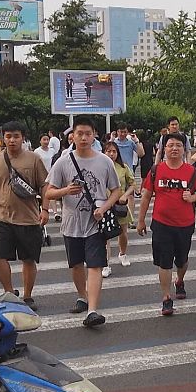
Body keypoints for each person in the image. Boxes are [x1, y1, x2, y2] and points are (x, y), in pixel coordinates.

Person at [45, 117, 120, 328]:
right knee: (76, 265)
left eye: (88, 133)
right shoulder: (63, 161)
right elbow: (49, 192)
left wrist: (104, 208)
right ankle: (82, 295)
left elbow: (115, 190)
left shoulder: (104, 161)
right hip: (71, 223)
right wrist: (65, 191)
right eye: (80, 134)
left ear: (94, 134)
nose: (84, 138)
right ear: (73, 136)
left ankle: (93, 310)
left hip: (95, 224)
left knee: (95, 265)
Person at [0, 121, 50, 311]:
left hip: (29, 218)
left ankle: (27, 296)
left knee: (28, 259)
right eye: (8, 136)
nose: (12, 140)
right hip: (2, 217)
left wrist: (45, 209)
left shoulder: (34, 159)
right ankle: (9, 292)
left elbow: (44, 185)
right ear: (3, 138)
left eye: (16, 136)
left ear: (23, 138)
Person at [137, 133, 196, 317]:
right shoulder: (156, 171)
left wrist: (192, 197)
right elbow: (146, 196)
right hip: (162, 224)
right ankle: (166, 297)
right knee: (164, 262)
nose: (174, 148)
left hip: (185, 225)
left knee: (182, 260)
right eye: (171, 145)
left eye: (178, 145)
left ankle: (180, 280)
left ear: (184, 149)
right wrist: (140, 220)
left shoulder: (191, 172)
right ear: (164, 149)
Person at [102, 142, 135, 277]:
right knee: (105, 236)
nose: (111, 154)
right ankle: (105, 264)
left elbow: (133, 184)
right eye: (108, 151)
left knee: (123, 233)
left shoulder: (123, 167)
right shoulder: (99, 167)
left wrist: (126, 195)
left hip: (119, 205)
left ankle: (122, 253)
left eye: (114, 151)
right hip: (104, 205)